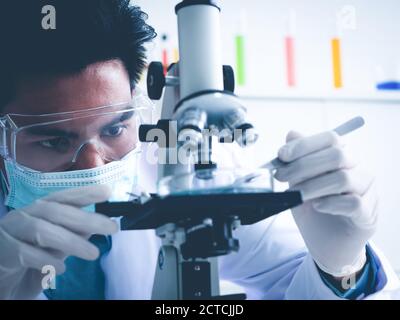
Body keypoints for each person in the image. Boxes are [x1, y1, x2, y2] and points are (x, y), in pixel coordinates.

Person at [0, 0, 398, 300]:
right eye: (54, 141)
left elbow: (300, 280)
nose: (94, 163)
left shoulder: (179, 167)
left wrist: (343, 264)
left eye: (116, 128)